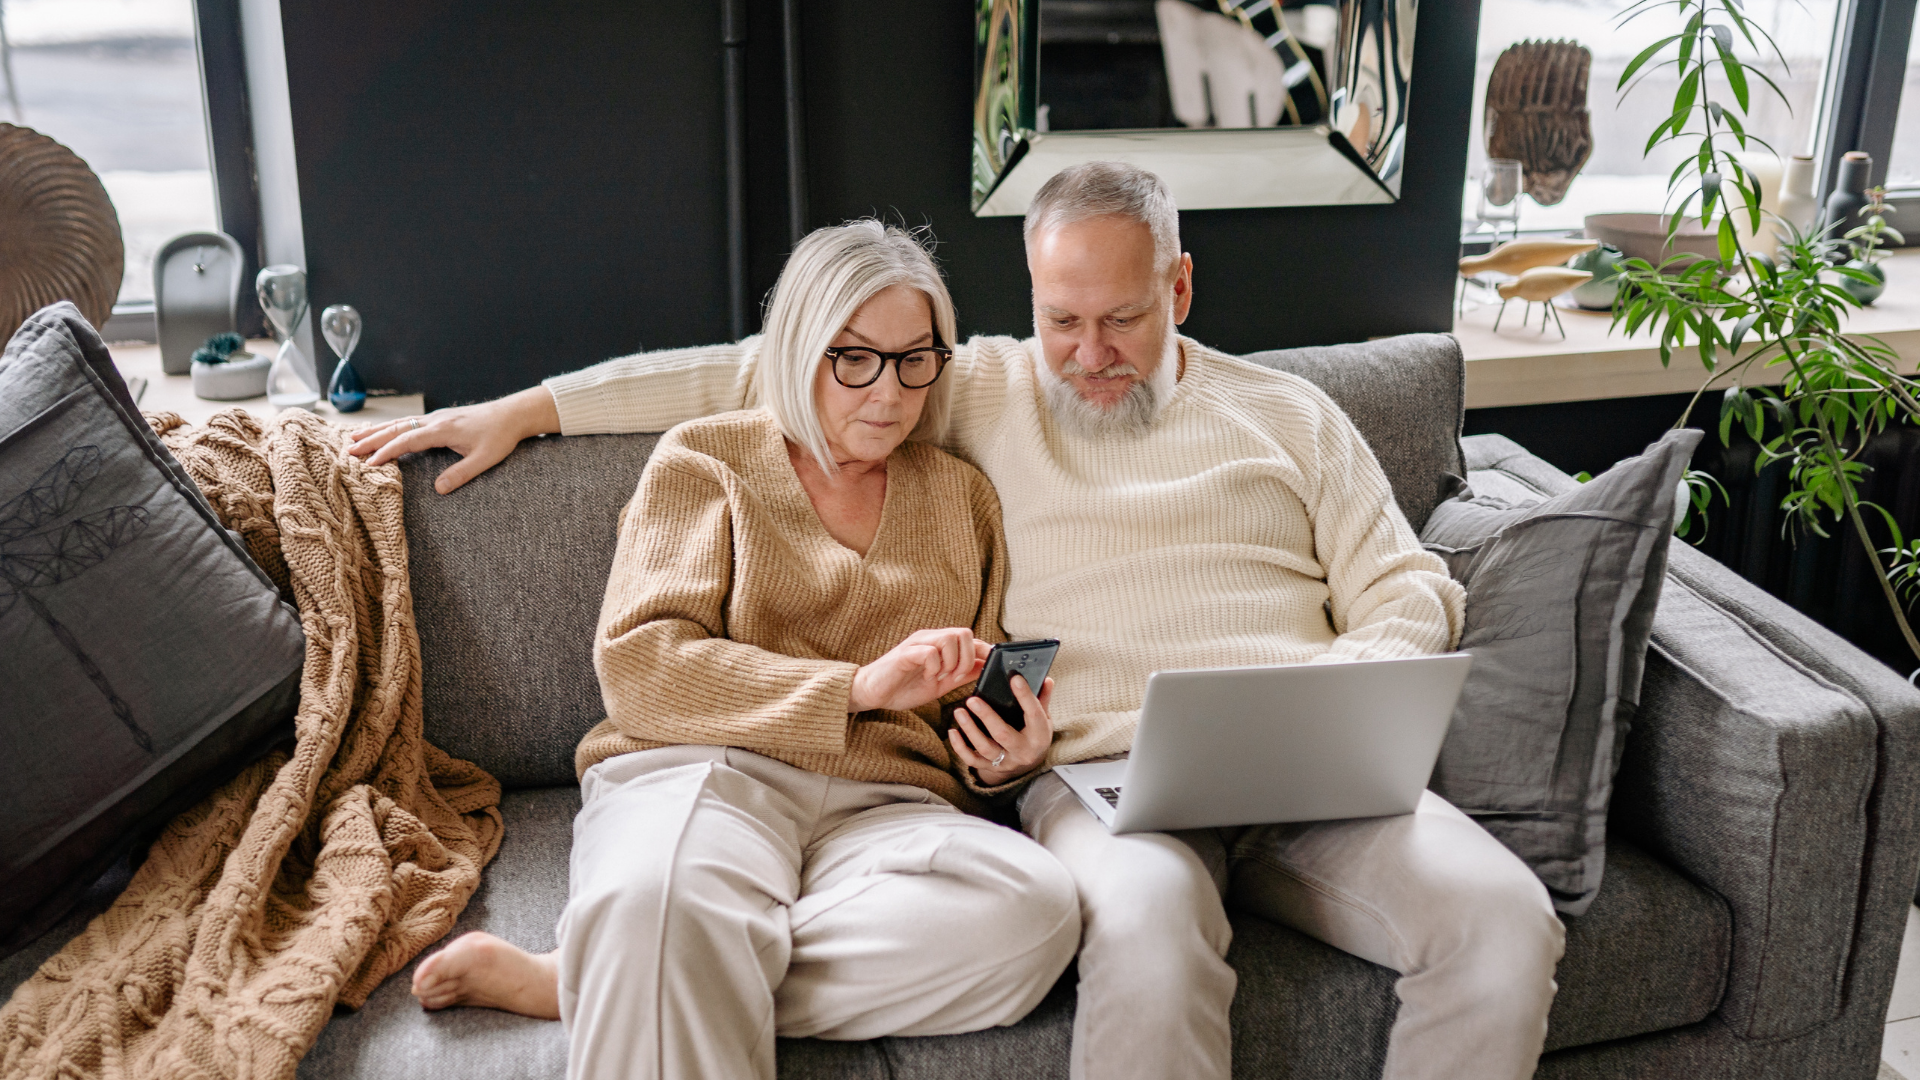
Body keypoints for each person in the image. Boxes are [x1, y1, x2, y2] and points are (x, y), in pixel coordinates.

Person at [358, 163, 1566, 1080]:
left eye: (1124, 320)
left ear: (1181, 288)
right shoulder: (970, 386)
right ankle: (643, 962)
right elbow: (756, 370)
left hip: (1314, 762)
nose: (1089, 356)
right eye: (1061, 320)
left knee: (1505, 922)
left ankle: (630, 974)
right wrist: (531, 407)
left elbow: (1411, 585)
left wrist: (1343, 689)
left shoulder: (1291, 417)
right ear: (1030, 302)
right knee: (1141, 927)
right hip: (1101, 774)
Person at [402, 220, 1081, 1080]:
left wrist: (1005, 761)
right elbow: (641, 669)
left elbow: (957, 710)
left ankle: (603, 974)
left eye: (917, 359)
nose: (891, 391)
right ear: (799, 348)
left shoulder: (962, 498)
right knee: (655, 900)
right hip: (706, 771)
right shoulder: (706, 460)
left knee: (1037, 912)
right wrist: (856, 688)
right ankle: (642, 953)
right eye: (856, 357)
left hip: (889, 808)